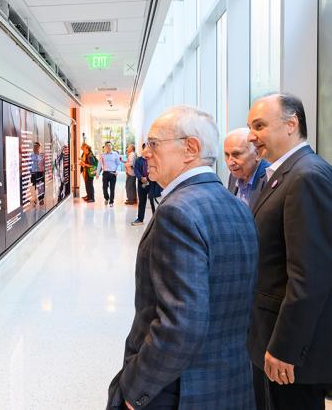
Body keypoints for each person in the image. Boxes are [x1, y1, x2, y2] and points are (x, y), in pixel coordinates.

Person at [107, 106, 258, 409]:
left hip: (178, 390)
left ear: (190, 148)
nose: (145, 153)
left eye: (153, 144)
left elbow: (180, 323)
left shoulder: (178, 211)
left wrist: (135, 391)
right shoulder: (236, 205)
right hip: (229, 385)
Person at [246, 93, 332, 410]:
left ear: (291, 124)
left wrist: (285, 347)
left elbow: (310, 276)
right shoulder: (285, 174)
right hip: (268, 337)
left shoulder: (306, 177)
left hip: (288, 352)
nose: (252, 136)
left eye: (259, 125)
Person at [223, 127, 270, 208]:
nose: (230, 162)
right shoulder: (234, 175)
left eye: (236, 154)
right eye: (227, 155)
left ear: (257, 154)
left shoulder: (269, 177)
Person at [131, 143, 156, 226]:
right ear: (143, 150)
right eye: (146, 148)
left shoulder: (153, 159)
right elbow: (136, 169)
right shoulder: (138, 160)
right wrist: (141, 178)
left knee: (153, 201)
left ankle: (155, 220)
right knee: (142, 201)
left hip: (151, 182)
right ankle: (140, 219)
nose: (148, 150)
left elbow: (154, 169)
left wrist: (147, 178)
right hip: (141, 183)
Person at [97, 141, 121, 207]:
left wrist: (117, 171)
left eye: (110, 145)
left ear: (111, 146)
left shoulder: (115, 154)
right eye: (107, 146)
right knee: (104, 188)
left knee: (112, 188)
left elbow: (118, 164)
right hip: (105, 173)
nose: (109, 147)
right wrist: (97, 173)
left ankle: (111, 201)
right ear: (105, 147)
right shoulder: (102, 155)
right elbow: (99, 164)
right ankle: (106, 198)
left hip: (113, 173)